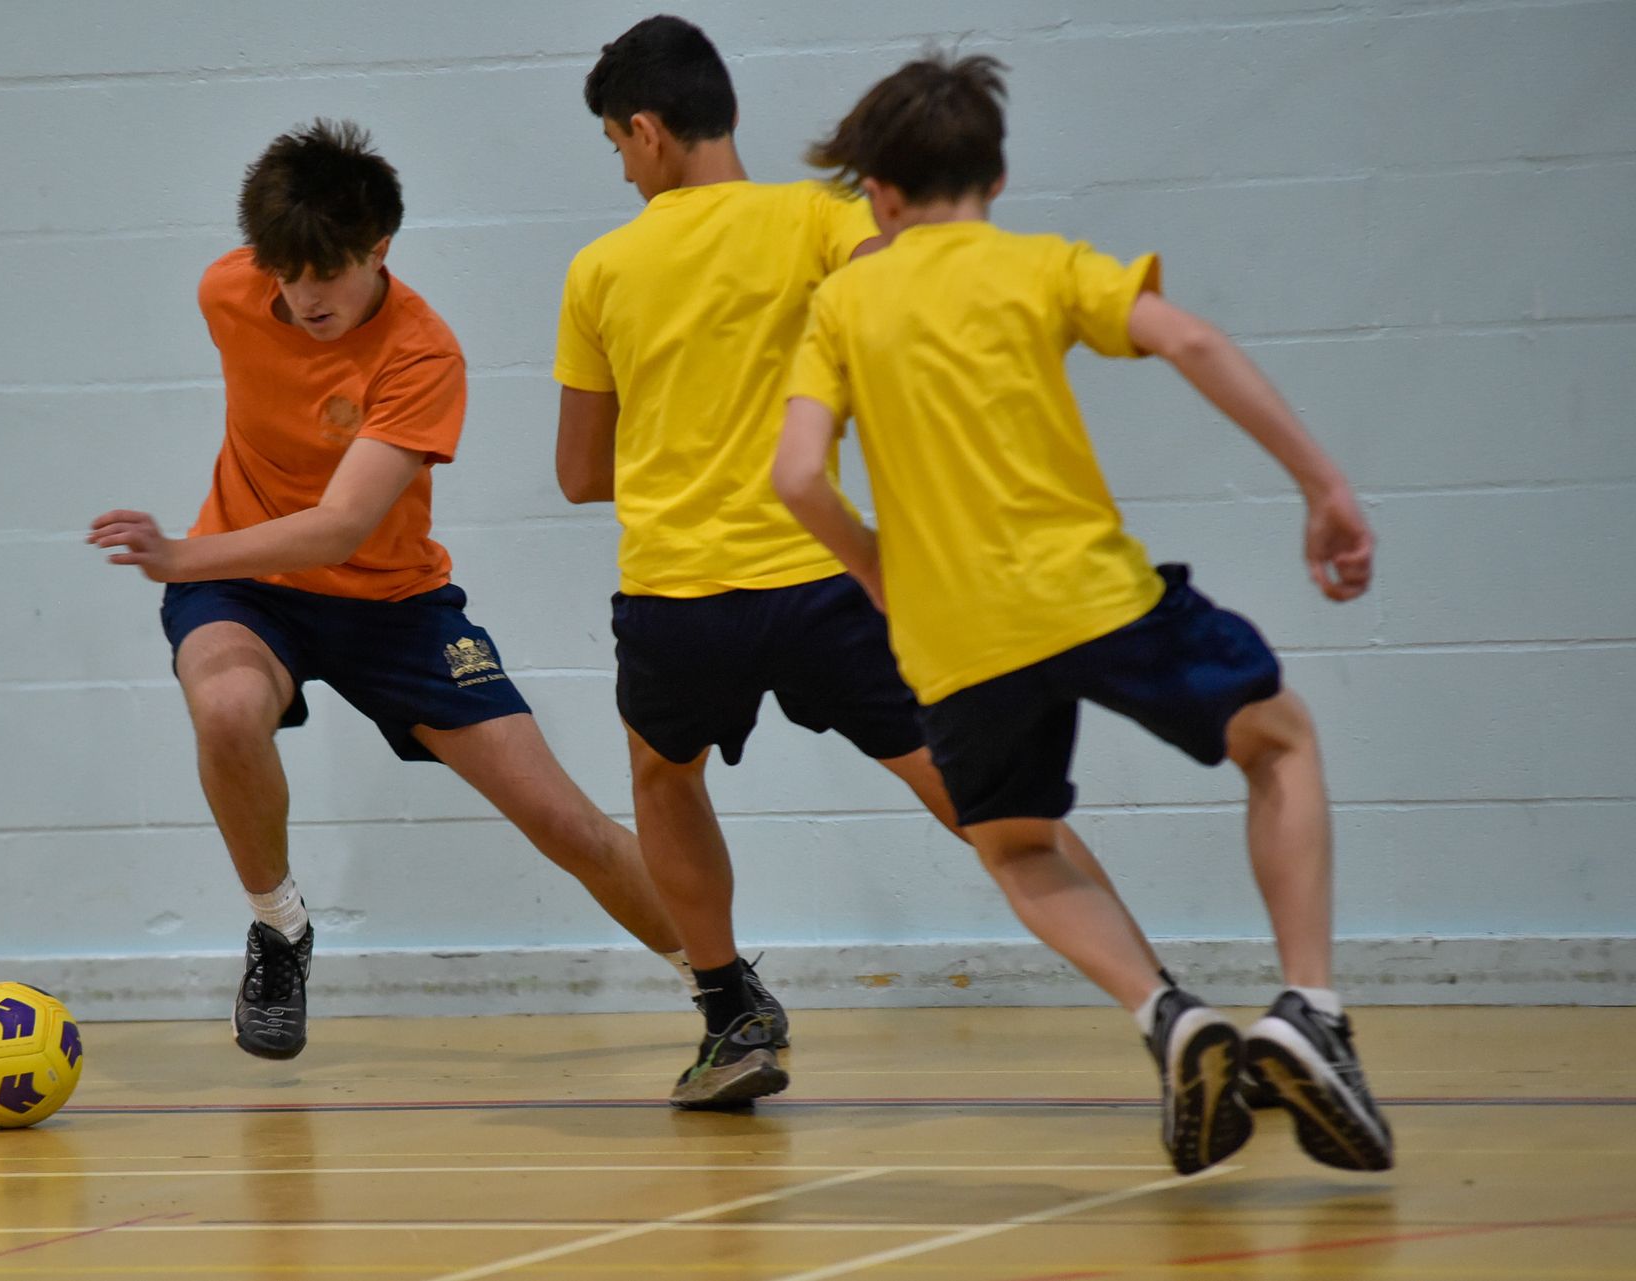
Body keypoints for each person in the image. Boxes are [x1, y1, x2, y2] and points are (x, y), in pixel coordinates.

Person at [773, 54, 1393, 1174]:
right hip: (1092, 593)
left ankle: (1167, 1016)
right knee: (1279, 737)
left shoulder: (844, 301)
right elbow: (1192, 341)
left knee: (1015, 847)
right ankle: (1308, 1008)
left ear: (880, 193)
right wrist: (1323, 486)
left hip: (953, 637)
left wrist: (877, 574)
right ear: (996, 176)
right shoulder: (1042, 265)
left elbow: (799, 478)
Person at [556, 16, 1171, 1110]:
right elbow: (916, 297)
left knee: (664, 777)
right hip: (828, 579)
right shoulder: (824, 221)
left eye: (611, 145)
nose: (618, 166)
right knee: (991, 796)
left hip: (677, 595)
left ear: (645, 131)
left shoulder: (599, 267)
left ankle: (728, 1011)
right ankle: (1169, 1011)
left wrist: (680, 443)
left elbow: (577, 472)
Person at [89, 119, 688, 1062]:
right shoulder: (228, 291)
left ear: (379, 249)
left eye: (326, 272)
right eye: (285, 272)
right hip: (248, 589)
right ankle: (278, 929)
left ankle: (723, 980)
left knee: (563, 818)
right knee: (228, 707)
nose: (303, 295)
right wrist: (205, 564)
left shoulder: (422, 353)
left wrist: (178, 556)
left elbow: (341, 524)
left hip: (391, 605)